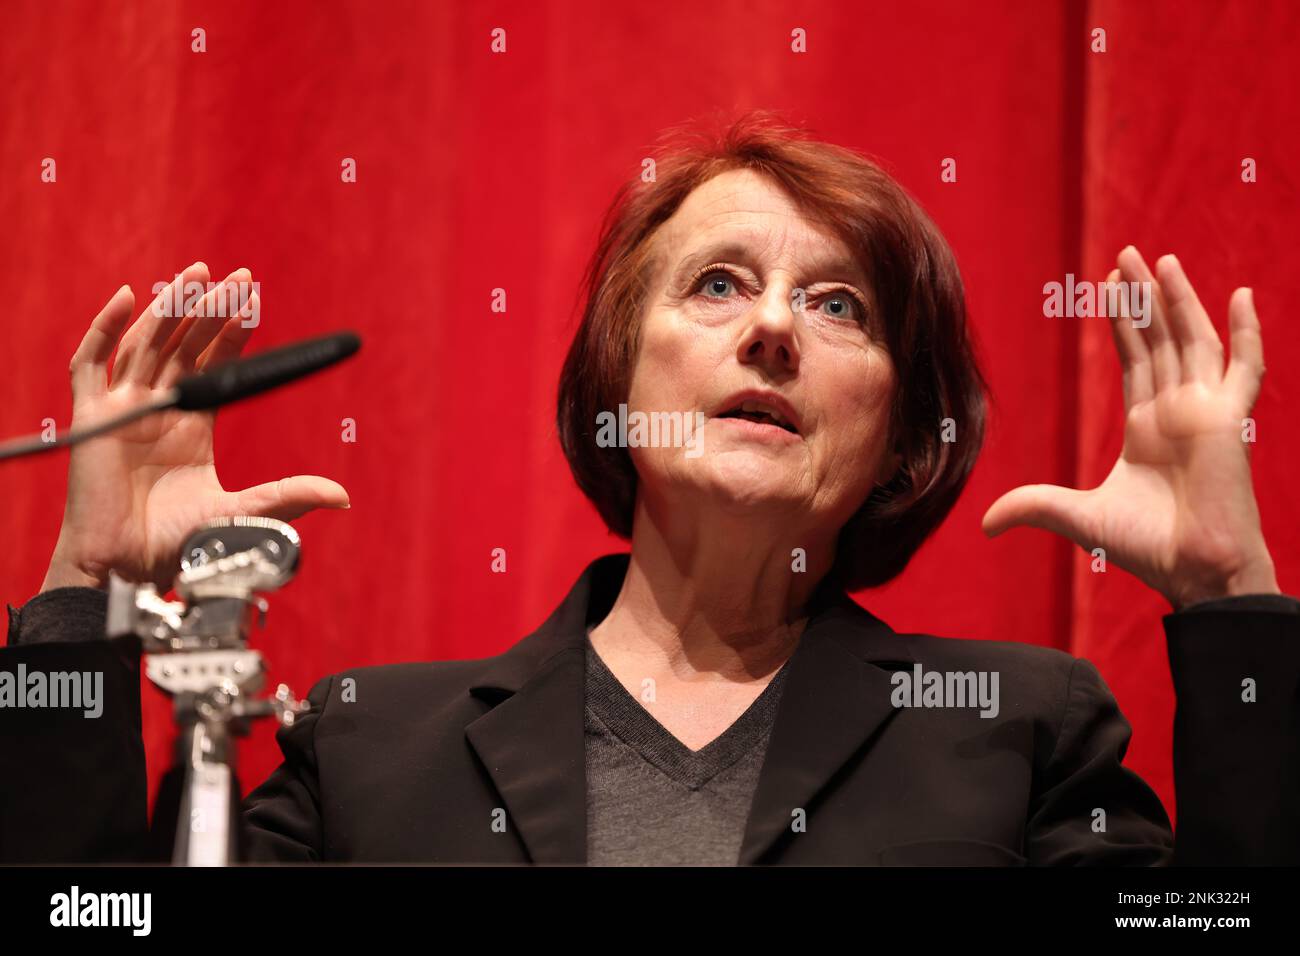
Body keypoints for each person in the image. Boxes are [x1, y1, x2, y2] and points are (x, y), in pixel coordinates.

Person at [4, 112, 1297, 865]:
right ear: (614, 384)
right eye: (718, 284)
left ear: (906, 438)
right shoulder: (365, 752)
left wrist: (1232, 604)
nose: (775, 329)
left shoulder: (1016, 735)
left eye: (840, 304)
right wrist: (84, 597)